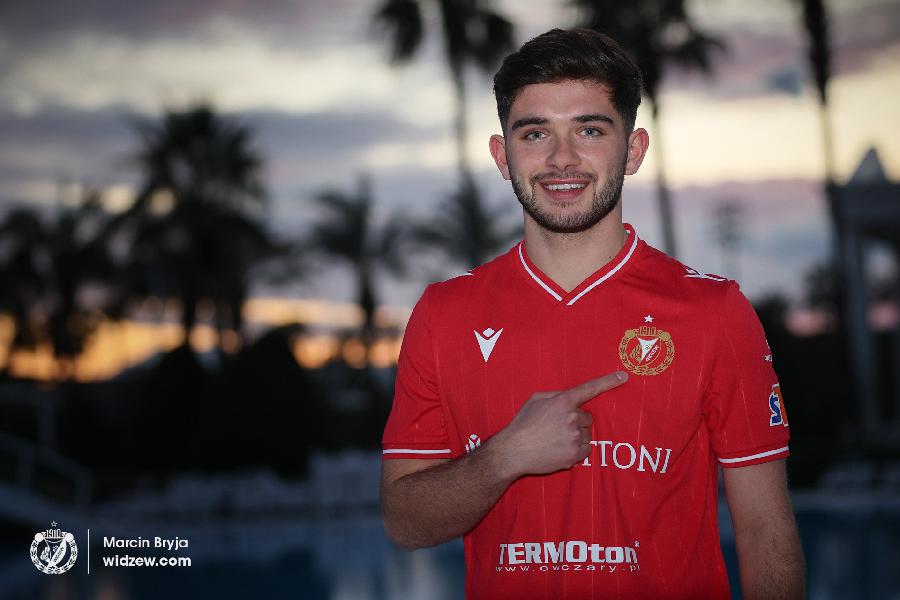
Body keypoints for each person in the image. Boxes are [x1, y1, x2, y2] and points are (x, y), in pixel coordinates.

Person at [381, 28, 805, 600]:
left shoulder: (714, 312)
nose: (562, 158)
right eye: (536, 133)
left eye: (589, 130)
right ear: (502, 156)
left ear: (633, 150)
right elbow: (404, 521)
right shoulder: (444, 315)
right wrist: (504, 457)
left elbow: (764, 529)